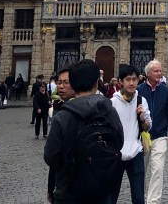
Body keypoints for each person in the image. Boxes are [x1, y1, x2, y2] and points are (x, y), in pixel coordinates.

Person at [44, 59, 123, 204]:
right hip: (102, 189)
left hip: (69, 191)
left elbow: (50, 156)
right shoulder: (109, 111)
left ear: (73, 84)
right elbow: (119, 141)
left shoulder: (63, 116)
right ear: (96, 83)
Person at [110, 64, 151, 204]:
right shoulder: (112, 103)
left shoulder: (141, 101)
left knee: (139, 197)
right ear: (120, 81)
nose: (132, 83)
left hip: (136, 152)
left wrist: (142, 118)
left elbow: (147, 128)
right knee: (111, 195)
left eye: (134, 79)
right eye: (128, 79)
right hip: (116, 155)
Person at [137, 59, 168, 204]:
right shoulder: (139, 90)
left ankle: (153, 201)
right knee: (141, 171)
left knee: (157, 170)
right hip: (142, 136)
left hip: (160, 135)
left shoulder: (165, 91)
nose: (159, 73)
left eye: (160, 71)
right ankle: (141, 198)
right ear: (148, 73)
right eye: (156, 71)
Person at [46, 69, 72, 204]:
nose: (61, 86)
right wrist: (51, 188)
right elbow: (53, 156)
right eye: (59, 82)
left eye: (66, 82)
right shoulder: (61, 114)